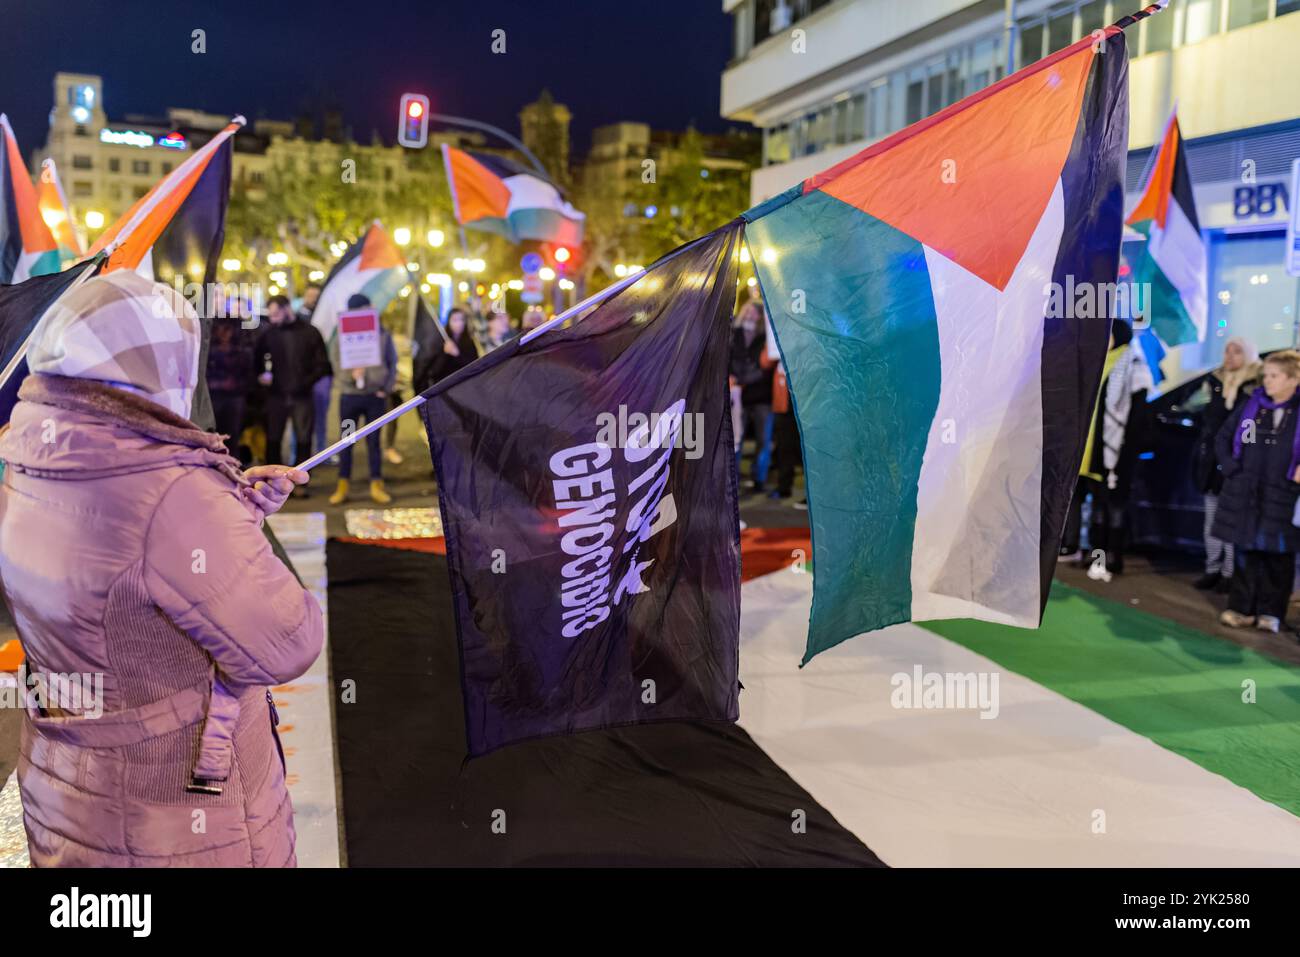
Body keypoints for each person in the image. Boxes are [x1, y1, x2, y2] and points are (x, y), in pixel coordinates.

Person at [0, 270, 323, 867]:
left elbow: (124, 585)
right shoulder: (170, 489)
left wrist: (229, 520)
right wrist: (214, 523)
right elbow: (287, 641)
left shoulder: (30, 453)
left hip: (68, 783)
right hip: (175, 812)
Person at [1213, 349, 1300, 634]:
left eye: (1275, 376)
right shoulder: (1254, 406)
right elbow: (1225, 437)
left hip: (1283, 493)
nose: (1268, 381)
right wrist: (1231, 468)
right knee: (1245, 551)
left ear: (1293, 379)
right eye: (1266, 375)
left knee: (1278, 556)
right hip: (1247, 492)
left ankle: (1271, 612)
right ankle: (1241, 608)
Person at [1060, 319, 1152, 577]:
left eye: (1107, 334)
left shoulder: (1134, 367)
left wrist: (1125, 451)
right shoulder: (1099, 362)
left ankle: (1113, 558)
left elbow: (1138, 417)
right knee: (1097, 505)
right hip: (1094, 450)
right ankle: (1094, 555)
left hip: (1117, 451)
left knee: (1113, 506)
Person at [1191, 336, 1262, 592]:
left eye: (1237, 352)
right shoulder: (1215, 383)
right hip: (1211, 463)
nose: (1230, 357)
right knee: (1211, 519)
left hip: (1235, 464)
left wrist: (1236, 461)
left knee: (1232, 520)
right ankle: (1213, 568)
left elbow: (1246, 431)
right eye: (1227, 351)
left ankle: (1232, 573)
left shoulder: (1256, 388)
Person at [255, 294, 332, 492]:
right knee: (273, 438)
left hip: (302, 395)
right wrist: (262, 375)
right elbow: (256, 359)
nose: (272, 319)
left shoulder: (310, 332)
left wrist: (305, 384)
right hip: (276, 395)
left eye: (275, 314)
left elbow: (323, 365)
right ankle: (273, 482)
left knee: (304, 438)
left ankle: (300, 483)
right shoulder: (269, 333)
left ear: (287, 309)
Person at [328, 294, 398, 506]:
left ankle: (376, 483)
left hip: (374, 398)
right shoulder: (341, 334)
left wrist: (384, 389)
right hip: (350, 398)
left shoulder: (382, 333)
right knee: (347, 440)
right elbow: (336, 362)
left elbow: (392, 362)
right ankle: (343, 483)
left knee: (374, 441)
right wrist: (351, 376)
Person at [729, 300, 774, 494]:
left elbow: (766, 366)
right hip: (738, 395)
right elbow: (728, 359)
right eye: (748, 310)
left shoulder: (766, 337)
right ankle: (733, 478)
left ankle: (759, 479)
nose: (750, 314)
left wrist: (743, 379)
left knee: (763, 440)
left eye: (755, 312)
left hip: (762, 395)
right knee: (735, 439)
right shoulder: (733, 334)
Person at [207, 314, 255, 461]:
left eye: (227, 329)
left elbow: (249, 375)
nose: (223, 332)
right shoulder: (209, 349)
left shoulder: (243, 350)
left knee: (232, 437)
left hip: (234, 397)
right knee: (211, 436)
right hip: (213, 397)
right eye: (220, 328)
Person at [418, 305, 480, 392]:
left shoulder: (469, 342)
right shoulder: (441, 341)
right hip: (444, 390)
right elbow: (434, 371)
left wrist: (458, 355)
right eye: (455, 320)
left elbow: (474, 366)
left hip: (464, 388)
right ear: (449, 321)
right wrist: (444, 353)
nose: (459, 324)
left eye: (461, 320)